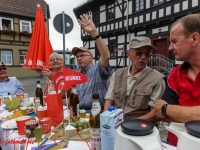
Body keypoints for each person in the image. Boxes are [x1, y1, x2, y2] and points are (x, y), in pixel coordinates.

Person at [153, 14, 200, 146]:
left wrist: (166, 108)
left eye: (174, 41)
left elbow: (163, 108)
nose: (169, 48)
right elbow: (160, 113)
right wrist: (165, 110)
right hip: (175, 144)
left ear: (194, 38)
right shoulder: (175, 73)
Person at [104, 36, 166, 122]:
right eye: (138, 53)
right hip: (116, 125)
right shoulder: (117, 74)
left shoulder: (157, 79)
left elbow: (155, 112)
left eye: (147, 54)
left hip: (141, 128)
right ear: (128, 54)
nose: (143, 57)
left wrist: (128, 124)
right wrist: (107, 121)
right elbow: (109, 100)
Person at [71, 14, 111, 111]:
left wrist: (94, 33)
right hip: (80, 114)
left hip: (97, 114)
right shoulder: (78, 77)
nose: (79, 58)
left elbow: (106, 56)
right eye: (77, 57)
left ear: (91, 58)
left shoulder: (97, 69)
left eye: (82, 55)